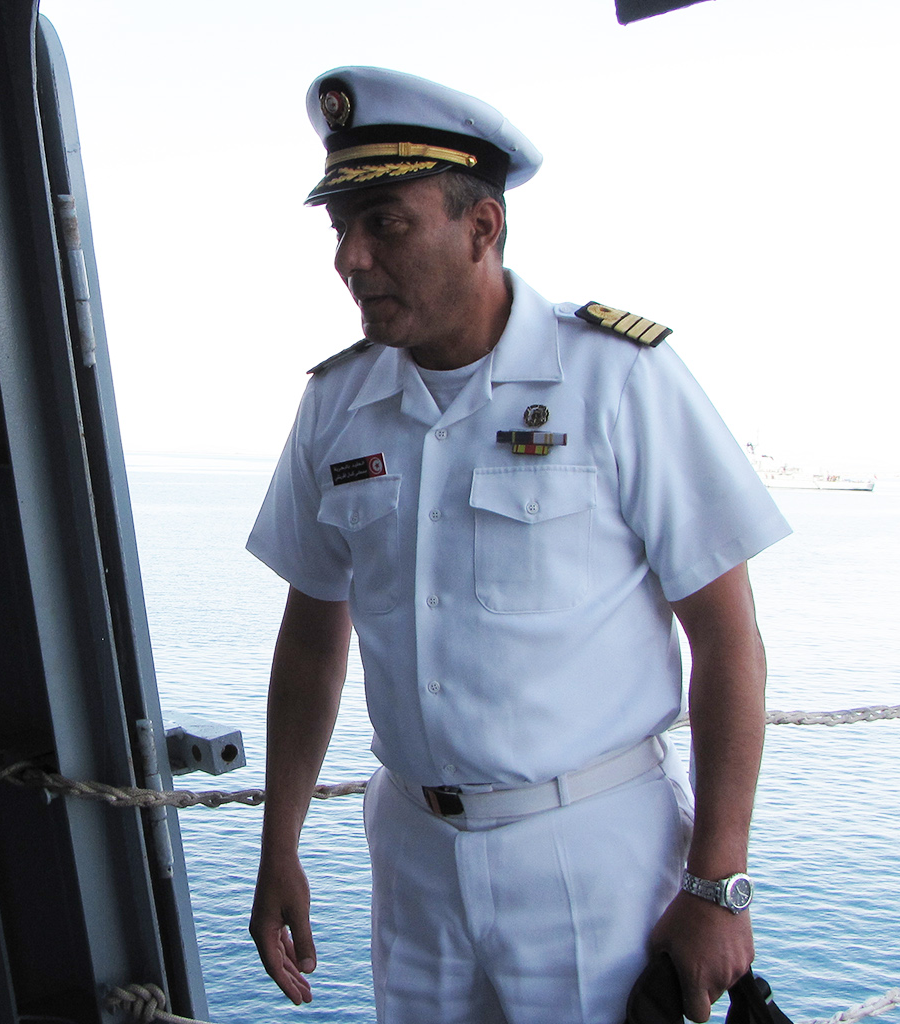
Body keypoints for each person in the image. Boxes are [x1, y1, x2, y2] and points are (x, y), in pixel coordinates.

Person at [245, 67, 791, 1024]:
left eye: (385, 223)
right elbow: (310, 633)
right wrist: (278, 841)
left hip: (590, 852)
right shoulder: (335, 404)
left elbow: (727, 633)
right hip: (412, 851)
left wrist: (718, 884)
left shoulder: (619, 380)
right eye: (340, 228)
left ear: (483, 227)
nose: (351, 258)